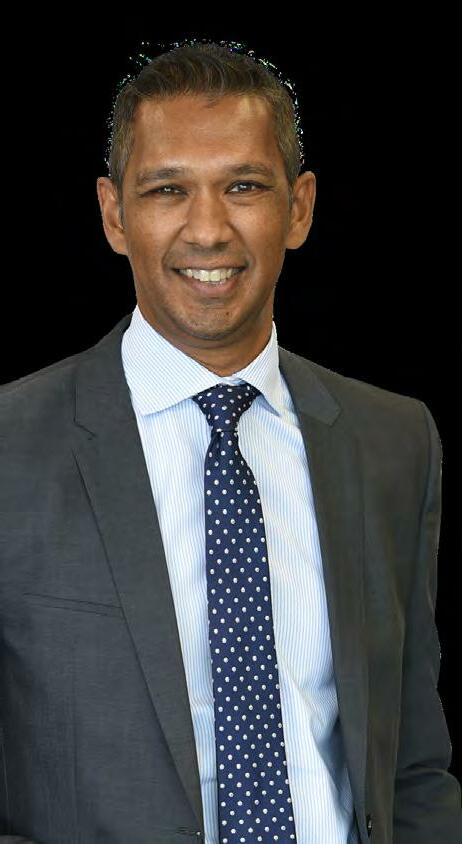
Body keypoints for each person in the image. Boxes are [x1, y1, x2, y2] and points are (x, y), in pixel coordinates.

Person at [0, 39, 460, 844]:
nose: (208, 230)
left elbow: (415, 761)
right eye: (167, 189)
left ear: (300, 207)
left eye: (243, 186)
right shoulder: (10, 448)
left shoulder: (395, 442)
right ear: (114, 214)